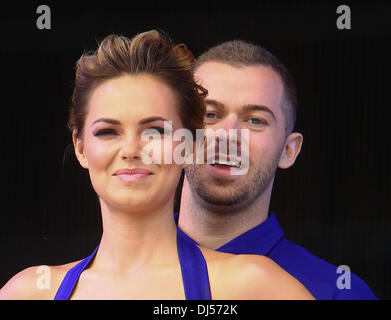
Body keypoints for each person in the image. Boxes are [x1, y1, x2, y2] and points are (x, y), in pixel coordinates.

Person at [0, 31, 314, 300]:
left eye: (155, 131)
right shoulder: (30, 292)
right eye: (108, 131)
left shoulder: (255, 286)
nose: (132, 149)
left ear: (190, 145)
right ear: (81, 148)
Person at [177, 40, 378, 300]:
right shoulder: (111, 272)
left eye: (255, 120)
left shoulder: (337, 293)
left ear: (289, 150)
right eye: (211, 115)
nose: (228, 135)